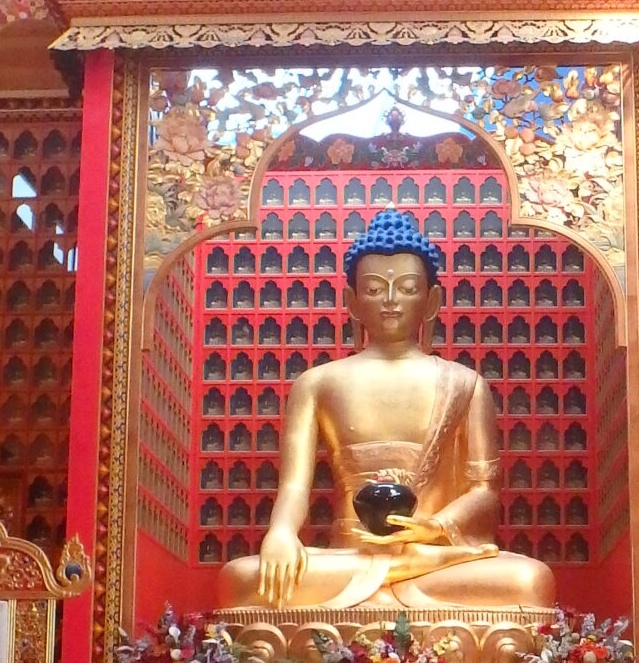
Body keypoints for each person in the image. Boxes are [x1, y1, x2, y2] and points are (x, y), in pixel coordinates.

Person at [218, 208, 555, 611]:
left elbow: (484, 491)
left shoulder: (466, 384)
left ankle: (394, 582)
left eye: (408, 288)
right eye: (375, 289)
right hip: (350, 555)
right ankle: (385, 583)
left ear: (432, 301)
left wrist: (432, 527)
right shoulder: (317, 383)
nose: (391, 301)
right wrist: (281, 534)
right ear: (352, 301)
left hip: (430, 555)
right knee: (240, 578)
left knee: (528, 580)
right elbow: (294, 487)